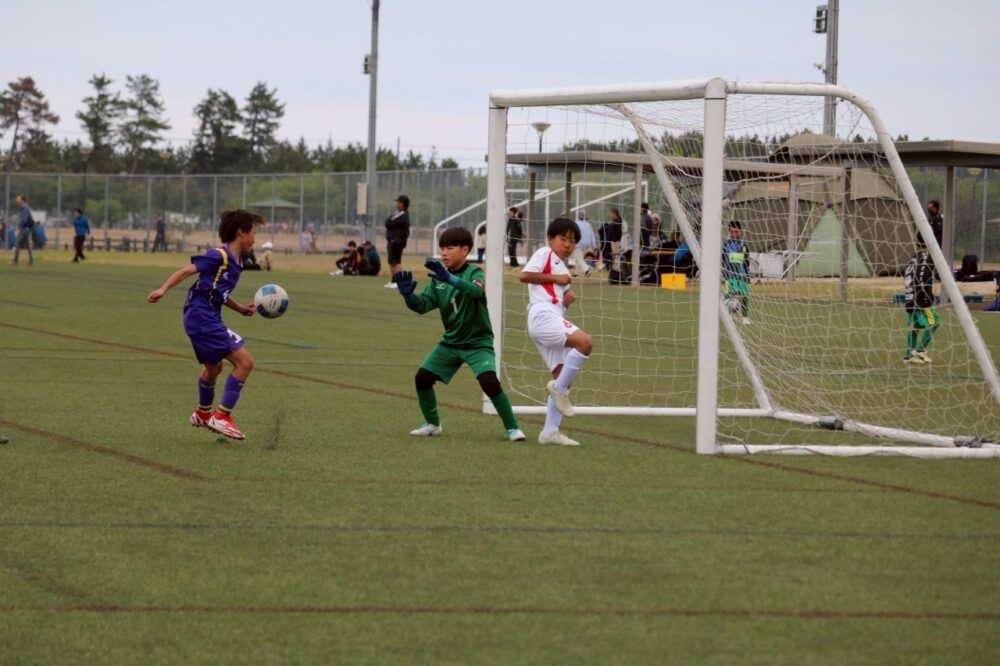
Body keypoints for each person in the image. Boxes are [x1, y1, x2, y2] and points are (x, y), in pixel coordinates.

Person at [393, 226, 525, 442]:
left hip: (478, 342)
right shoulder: (438, 279)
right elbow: (422, 306)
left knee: (490, 383)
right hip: (451, 342)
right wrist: (408, 296)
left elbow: (476, 290)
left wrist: (450, 279)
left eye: (450, 247)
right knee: (423, 378)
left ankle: (513, 429)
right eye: (442, 248)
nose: (444, 253)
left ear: (465, 250)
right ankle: (432, 424)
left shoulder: (474, 273)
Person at [146, 209, 262, 441]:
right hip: (202, 317)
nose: (255, 237)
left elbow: (220, 293)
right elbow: (187, 270)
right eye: (253, 232)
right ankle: (222, 416)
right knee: (245, 362)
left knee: (214, 368)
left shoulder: (237, 263)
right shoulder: (220, 255)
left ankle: (202, 413)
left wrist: (240, 309)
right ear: (241, 232)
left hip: (202, 317)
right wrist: (163, 289)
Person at [520, 217, 595, 447]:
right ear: (550, 239)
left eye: (572, 241)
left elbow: (559, 290)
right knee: (585, 342)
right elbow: (524, 276)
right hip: (542, 316)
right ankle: (558, 390)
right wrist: (557, 279)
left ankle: (550, 432)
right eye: (563, 238)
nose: (568, 244)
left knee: (563, 377)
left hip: (551, 317)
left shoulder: (563, 268)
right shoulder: (545, 253)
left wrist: (568, 295)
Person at [903, 234, 940, 364]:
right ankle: (920, 349)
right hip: (921, 297)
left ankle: (908, 355)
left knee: (916, 325)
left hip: (910, 295)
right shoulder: (925, 257)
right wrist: (927, 297)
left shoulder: (914, 257)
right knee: (935, 322)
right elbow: (921, 276)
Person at [723, 220, 751, 324]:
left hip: (742, 273)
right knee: (729, 295)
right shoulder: (725, 244)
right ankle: (729, 315)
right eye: (732, 232)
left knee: (744, 295)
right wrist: (724, 273)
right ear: (729, 231)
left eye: (736, 232)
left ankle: (745, 317)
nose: (734, 234)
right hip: (729, 274)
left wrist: (747, 274)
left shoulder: (744, 244)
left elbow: (747, 260)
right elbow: (722, 259)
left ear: (741, 231)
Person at [384, 194, 410, 288]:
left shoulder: (402, 214)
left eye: (398, 202)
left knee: (396, 262)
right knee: (391, 262)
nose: (396, 203)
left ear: (402, 204)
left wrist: (389, 222)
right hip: (392, 240)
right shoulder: (397, 212)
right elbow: (388, 221)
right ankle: (393, 281)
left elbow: (389, 223)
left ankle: (400, 282)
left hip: (396, 241)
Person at [572, 210, 597, 277]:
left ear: (578, 216)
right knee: (579, 257)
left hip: (578, 243)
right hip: (586, 244)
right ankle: (577, 272)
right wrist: (594, 246)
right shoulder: (588, 225)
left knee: (578, 258)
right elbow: (592, 235)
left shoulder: (576, 224)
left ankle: (587, 270)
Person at [11, 194, 35, 266]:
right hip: (27, 228)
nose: (16, 200)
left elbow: (24, 219)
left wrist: (20, 226)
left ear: (22, 200)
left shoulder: (24, 207)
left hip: (24, 228)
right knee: (28, 246)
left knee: (17, 242)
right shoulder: (26, 206)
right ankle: (31, 261)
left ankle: (15, 261)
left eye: (18, 199)